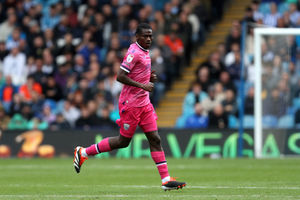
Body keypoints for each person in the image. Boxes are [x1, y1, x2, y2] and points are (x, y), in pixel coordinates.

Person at [73, 23, 186, 191]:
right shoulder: (133, 53)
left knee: (155, 138)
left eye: (150, 36)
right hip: (130, 104)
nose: (149, 39)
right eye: (145, 36)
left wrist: (149, 77)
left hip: (144, 104)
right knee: (123, 142)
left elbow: (139, 72)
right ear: (137, 37)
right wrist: (143, 85)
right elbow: (120, 76)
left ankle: (165, 180)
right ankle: (83, 153)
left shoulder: (146, 52)